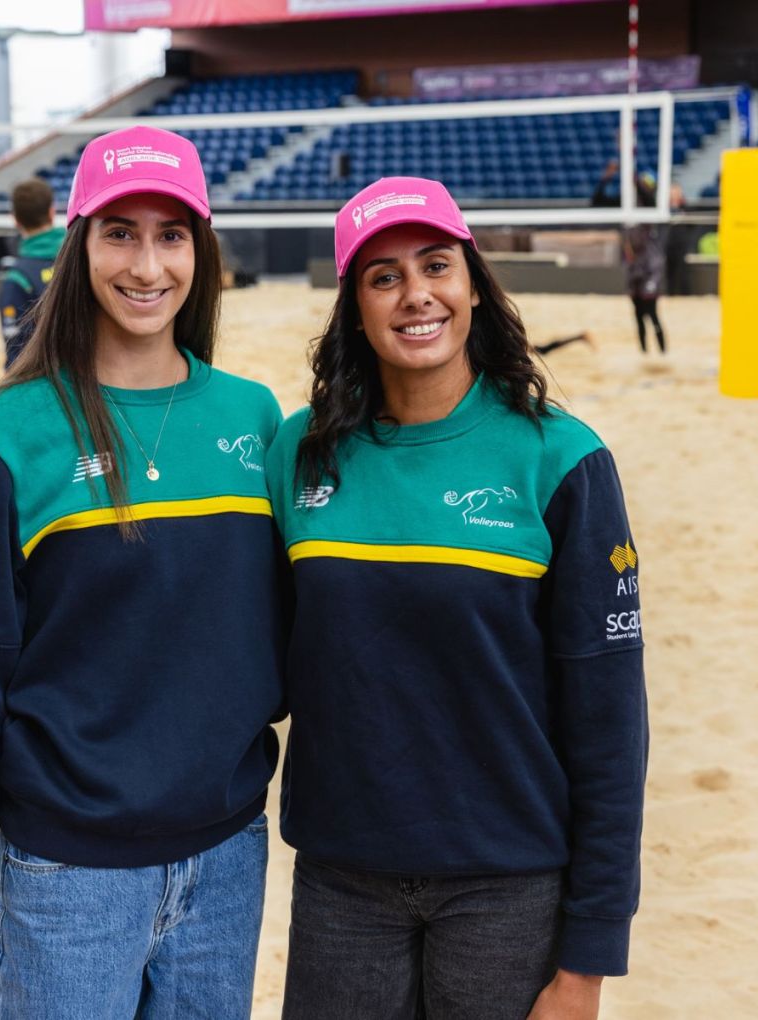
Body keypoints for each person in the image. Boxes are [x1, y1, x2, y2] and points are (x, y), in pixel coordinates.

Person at [0, 125, 285, 1020]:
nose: (147, 264)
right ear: (78, 247)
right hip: (68, 878)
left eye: (170, 234)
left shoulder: (257, 417)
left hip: (230, 859)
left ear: (201, 250)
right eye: (119, 232)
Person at [267, 176, 648, 1020]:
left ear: (474, 283)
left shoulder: (563, 459)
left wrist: (589, 956)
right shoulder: (299, 452)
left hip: (506, 885)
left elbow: (610, 720)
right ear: (354, 307)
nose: (416, 295)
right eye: (383, 277)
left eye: (436, 266)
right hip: (341, 881)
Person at [0, 177, 66, 370]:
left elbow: (16, 354)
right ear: (52, 213)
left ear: (15, 220)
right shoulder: (83, 257)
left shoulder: (17, 279)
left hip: (45, 383)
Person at [624, 174, 667, 355]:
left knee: (652, 314)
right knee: (638, 316)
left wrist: (632, 174)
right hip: (635, 272)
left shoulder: (649, 212)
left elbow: (646, 194)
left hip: (649, 270)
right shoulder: (629, 210)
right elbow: (598, 200)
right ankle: (644, 353)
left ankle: (663, 353)